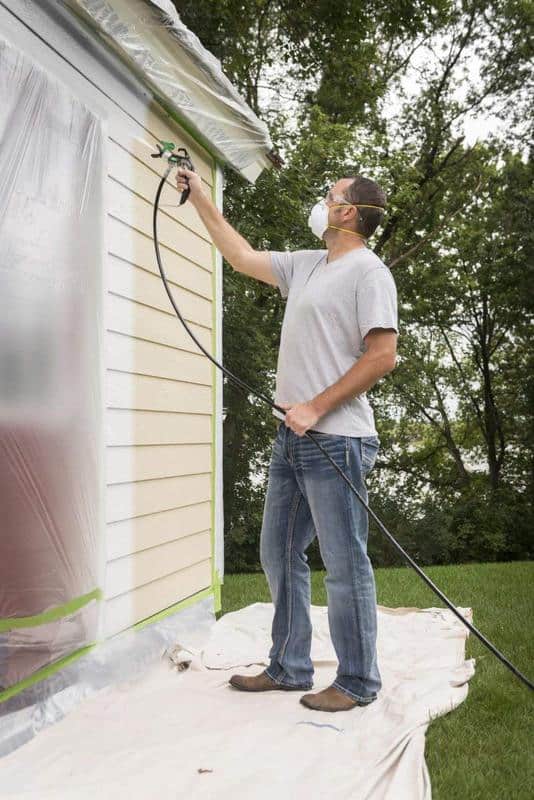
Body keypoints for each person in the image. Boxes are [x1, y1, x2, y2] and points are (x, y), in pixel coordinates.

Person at [176, 166, 398, 712]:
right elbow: (239, 256)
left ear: (348, 213)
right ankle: (291, 667)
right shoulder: (305, 266)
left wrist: (316, 407)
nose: (322, 203)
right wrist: (201, 195)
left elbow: (382, 356)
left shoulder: (370, 274)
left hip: (336, 440)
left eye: (331, 197)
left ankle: (357, 682)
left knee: (344, 565)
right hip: (292, 437)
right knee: (277, 551)